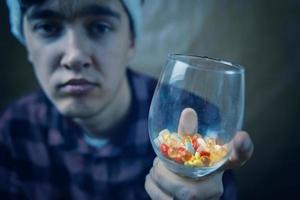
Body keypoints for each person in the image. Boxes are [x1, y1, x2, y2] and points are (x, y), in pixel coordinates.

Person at [0, 0, 254, 199]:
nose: (74, 56)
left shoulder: (200, 130)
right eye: (47, 27)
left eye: (100, 27)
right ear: (25, 42)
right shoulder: (15, 128)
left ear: (131, 41)